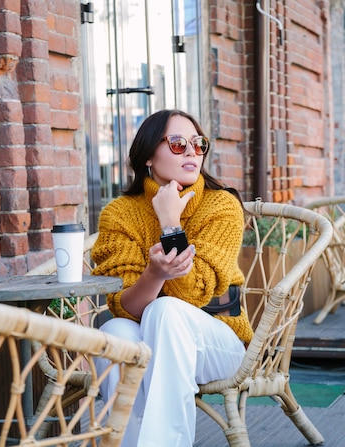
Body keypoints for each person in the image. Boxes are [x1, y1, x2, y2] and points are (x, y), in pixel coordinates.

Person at [91, 109, 254, 446]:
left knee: (165, 312)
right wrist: (153, 274)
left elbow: (192, 293)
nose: (193, 152)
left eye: (198, 144)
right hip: (156, 333)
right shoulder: (119, 214)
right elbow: (124, 308)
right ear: (149, 155)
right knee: (116, 331)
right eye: (179, 144)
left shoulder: (221, 205)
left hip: (219, 343)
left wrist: (170, 226)